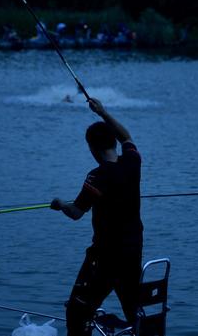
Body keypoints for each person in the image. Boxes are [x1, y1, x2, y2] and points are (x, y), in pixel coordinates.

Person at [51, 98, 143, 336]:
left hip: (105, 258)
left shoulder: (97, 176)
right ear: (112, 141)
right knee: (135, 313)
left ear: (92, 148)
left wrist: (61, 203)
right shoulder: (133, 163)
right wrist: (103, 112)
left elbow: (76, 212)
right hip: (132, 254)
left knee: (76, 311)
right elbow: (128, 137)